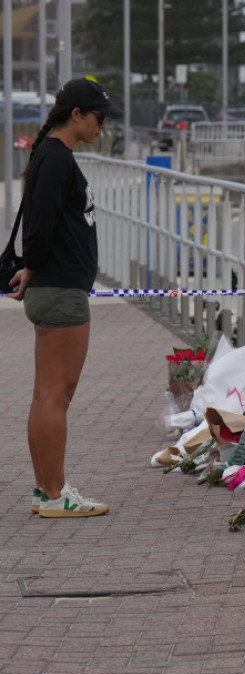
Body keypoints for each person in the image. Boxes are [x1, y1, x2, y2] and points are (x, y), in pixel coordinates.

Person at [6, 78, 123, 518]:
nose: (103, 126)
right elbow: (41, 225)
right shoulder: (56, 158)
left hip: (57, 287)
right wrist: (33, 268)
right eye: (98, 118)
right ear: (75, 114)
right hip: (59, 290)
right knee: (56, 396)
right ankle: (55, 494)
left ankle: (45, 491)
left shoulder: (52, 155)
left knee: (48, 395)